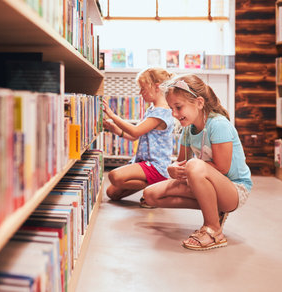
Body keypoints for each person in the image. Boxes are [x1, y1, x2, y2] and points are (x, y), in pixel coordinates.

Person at [142, 74, 252, 251]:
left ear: (199, 103)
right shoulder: (188, 129)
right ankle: (215, 212)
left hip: (234, 189)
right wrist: (172, 169)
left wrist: (190, 168)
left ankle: (213, 230)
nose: (174, 114)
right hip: (204, 182)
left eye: (178, 107)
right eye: (171, 108)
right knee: (150, 195)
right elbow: (181, 164)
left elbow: (223, 168)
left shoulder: (219, 125)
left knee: (194, 165)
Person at [102, 67, 175, 203]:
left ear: (156, 87)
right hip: (144, 162)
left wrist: (112, 115)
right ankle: (155, 186)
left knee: (114, 176)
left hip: (155, 165)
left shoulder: (162, 113)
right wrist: (115, 129)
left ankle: (161, 185)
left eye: (143, 89)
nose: (141, 93)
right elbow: (135, 137)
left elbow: (135, 131)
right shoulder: (152, 110)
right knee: (112, 193)